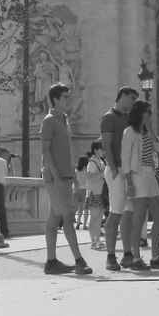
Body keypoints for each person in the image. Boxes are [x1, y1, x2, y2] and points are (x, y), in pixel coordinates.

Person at [41, 83, 92, 276]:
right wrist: (57, 177)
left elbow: (66, 152)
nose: (68, 100)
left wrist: (73, 178)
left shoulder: (64, 120)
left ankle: (51, 261)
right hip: (56, 178)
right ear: (55, 99)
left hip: (65, 176)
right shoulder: (49, 121)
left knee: (54, 218)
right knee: (68, 217)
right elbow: (45, 151)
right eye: (65, 97)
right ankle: (79, 260)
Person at [121, 99, 159, 271]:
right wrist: (129, 183)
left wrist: (151, 129)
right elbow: (125, 159)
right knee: (138, 218)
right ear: (140, 113)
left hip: (150, 175)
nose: (150, 115)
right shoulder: (129, 132)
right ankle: (136, 257)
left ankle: (155, 256)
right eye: (148, 112)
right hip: (137, 176)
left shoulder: (147, 132)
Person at [101, 86, 138, 271]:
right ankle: (110, 256)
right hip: (117, 169)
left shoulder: (128, 118)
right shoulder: (109, 117)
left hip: (128, 170)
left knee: (129, 213)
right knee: (115, 212)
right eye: (131, 98)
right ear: (122, 96)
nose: (133, 102)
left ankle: (127, 253)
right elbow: (106, 144)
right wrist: (114, 168)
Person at [86, 140, 106, 250]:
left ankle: (97, 240)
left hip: (100, 192)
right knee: (94, 218)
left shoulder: (100, 161)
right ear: (95, 150)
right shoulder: (92, 162)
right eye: (101, 149)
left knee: (98, 219)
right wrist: (102, 174)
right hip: (94, 193)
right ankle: (93, 242)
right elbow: (89, 177)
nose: (103, 151)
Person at [74, 156, 89, 230]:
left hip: (76, 190)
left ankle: (76, 222)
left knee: (77, 208)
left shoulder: (76, 170)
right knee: (83, 208)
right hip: (84, 190)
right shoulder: (86, 171)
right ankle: (82, 223)